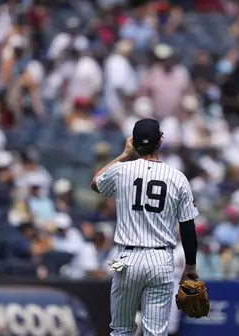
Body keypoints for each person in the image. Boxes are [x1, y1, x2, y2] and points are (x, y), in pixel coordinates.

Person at [91, 118, 199, 336]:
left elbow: (95, 182)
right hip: (160, 259)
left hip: (128, 259)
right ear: (160, 141)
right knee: (156, 333)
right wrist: (190, 266)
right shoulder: (177, 177)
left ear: (133, 142)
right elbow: (187, 226)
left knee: (121, 330)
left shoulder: (122, 171)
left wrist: (124, 155)